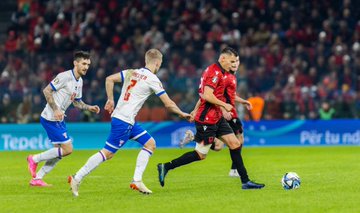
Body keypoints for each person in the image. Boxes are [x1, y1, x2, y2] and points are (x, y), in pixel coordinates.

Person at [68, 49, 192, 196]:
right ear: (158, 63)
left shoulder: (131, 72)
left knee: (150, 144)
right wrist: (183, 113)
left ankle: (137, 181)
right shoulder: (152, 79)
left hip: (127, 120)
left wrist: (110, 98)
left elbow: (109, 79)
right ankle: (77, 177)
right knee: (107, 153)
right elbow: (169, 104)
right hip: (123, 121)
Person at [157, 47, 265, 190]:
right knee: (201, 155)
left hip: (216, 117)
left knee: (234, 144)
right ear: (223, 59)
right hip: (206, 119)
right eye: (231, 61)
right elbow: (207, 96)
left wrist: (236, 102)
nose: (234, 64)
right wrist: (224, 105)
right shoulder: (213, 72)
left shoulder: (222, 73)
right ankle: (166, 166)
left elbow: (204, 94)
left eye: (236, 61)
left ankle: (245, 181)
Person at [26, 51, 100, 187]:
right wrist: (56, 109)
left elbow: (77, 102)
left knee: (59, 153)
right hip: (51, 117)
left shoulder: (80, 81)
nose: (86, 67)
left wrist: (89, 107)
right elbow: (46, 91)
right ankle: (34, 159)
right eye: (83, 63)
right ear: (75, 63)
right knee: (68, 149)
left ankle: (37, 179)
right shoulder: (64, 77)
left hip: (59, 119)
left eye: (88, 64)